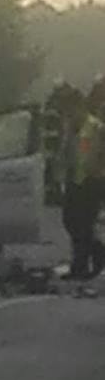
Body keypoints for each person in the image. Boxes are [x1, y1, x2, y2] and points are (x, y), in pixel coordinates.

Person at [61, 89, 105, 279]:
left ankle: (80, 267)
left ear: (80, 106)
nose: (69, 113)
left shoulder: (95, 127)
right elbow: (67, 154)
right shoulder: (70, 127)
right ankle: (98, 252)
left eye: (71, 109)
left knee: (83, 225)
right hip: (73, 182)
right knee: (70, 222)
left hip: (91, 181)